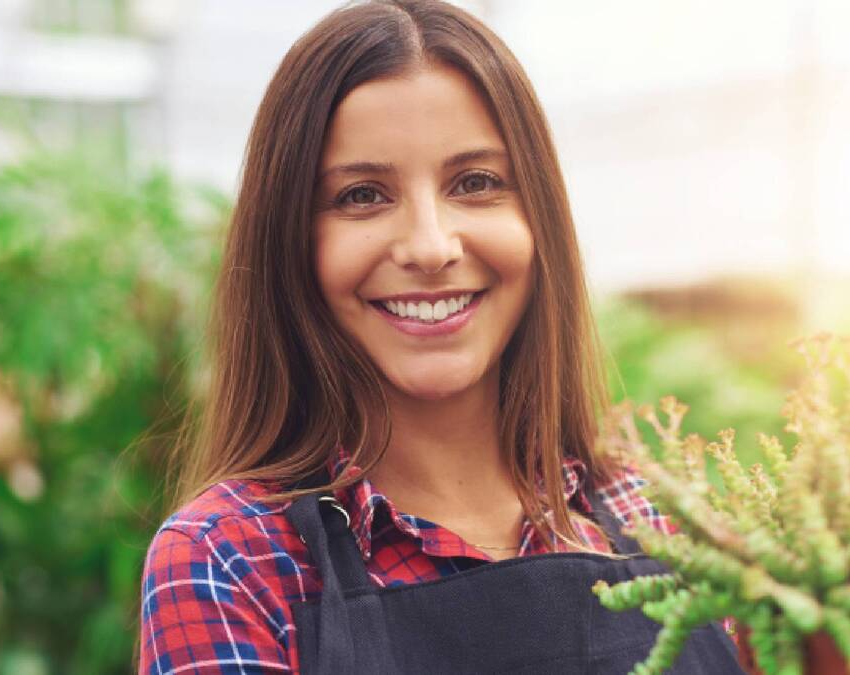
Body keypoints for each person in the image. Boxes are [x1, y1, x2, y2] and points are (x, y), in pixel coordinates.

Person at [137, 1, 742, 673]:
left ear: (539, 218)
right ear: (290, 241)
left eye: (475, 183)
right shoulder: (229, 561)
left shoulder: (665, 518)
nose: (430, 246)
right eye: (363, 195)